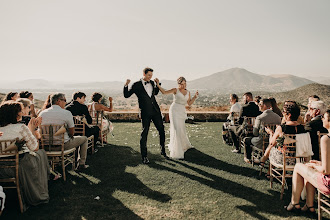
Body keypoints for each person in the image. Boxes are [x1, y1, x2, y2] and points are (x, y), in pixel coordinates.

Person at [0, 101, 49, 211]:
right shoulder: (20, 127)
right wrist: (31, 130)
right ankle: (41, 186)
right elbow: (34, 147)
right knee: (40, 153)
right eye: (20, 112)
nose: (22, 114)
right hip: (19, 167)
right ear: (15, 114)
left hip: (2, 169)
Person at [285, 109, 330, 214]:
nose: (322, 119)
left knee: (298, 167)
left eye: (325, 117)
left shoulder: (326, 139)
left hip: (327, 183)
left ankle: (294, 203)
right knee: (308, 167)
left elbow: (326, 171)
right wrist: (319, 164)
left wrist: (317, 167)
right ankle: (309, 206)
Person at [123, 67, 168, 164]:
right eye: (149, 75)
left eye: (151, 75)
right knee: (145, 133)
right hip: (145, 112)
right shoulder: (136, 85)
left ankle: (163, 150)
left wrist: (157, 84)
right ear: (144, 74)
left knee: (161, 129)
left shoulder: (151, 83)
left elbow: (155, 93)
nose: (150, 77)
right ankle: (144, 156)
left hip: (156, 111)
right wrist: (126, 85)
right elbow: (126, 95)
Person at [39, 93, 89, 170]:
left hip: (45, 146)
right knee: (84, 139)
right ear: (58, 101)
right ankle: (81, 164)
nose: (65, 102)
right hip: (62, 145)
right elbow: (72, 132)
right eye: (64, 100)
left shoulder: (42, 113)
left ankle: (56, 162)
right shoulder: (66, 113)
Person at [155, 76, 198, 159]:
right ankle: (177, 150)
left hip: (182, 111)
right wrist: (158, 85)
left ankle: (183, 145)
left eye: (185, 84)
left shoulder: (188, 92)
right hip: (174, 110)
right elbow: (164, 92)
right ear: (178, 84)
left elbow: (189, 103)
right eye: (182, 84)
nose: (184, 86)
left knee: (181, 129)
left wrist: (195, 97)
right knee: (176, 129)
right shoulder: (175, 90)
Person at [243, 99, 281, 163]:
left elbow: (255, 133)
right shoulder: (278, 117)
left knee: (246, 140)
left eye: (260, 104)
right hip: (273, 142)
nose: (258, 105)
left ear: (265, 106)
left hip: (261, 142)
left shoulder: (260, 117)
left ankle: (247, 158)